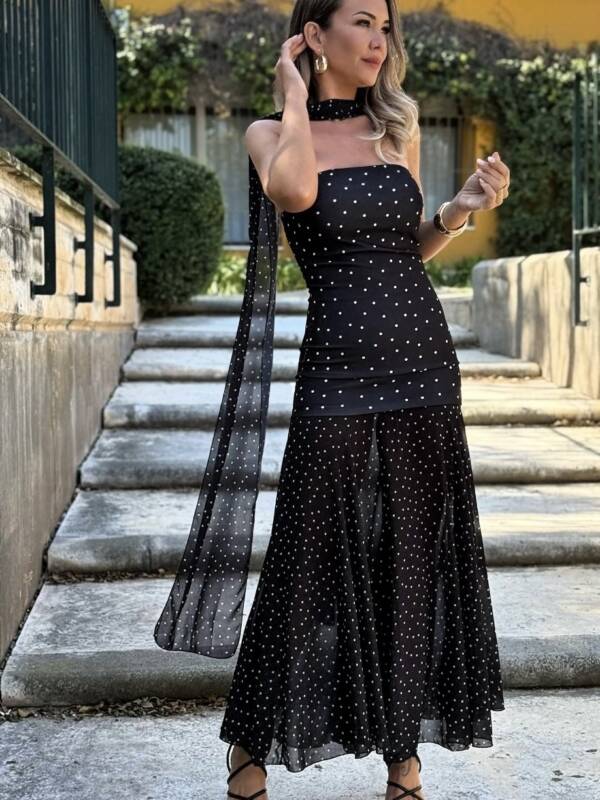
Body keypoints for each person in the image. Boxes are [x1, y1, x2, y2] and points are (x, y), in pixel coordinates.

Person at [155, 1, 510, 799]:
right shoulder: (268, 134)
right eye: (361, 22)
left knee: (411, 556)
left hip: (423, 364)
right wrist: (293, 94)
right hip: (338, 372)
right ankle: (250, 743)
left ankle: (403, 757)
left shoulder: (396, 130)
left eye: (385, 26)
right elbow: (292, 191)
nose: (379, 39)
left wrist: (459, 209)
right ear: (316, 36)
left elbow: (409, 246)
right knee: (304, 558)